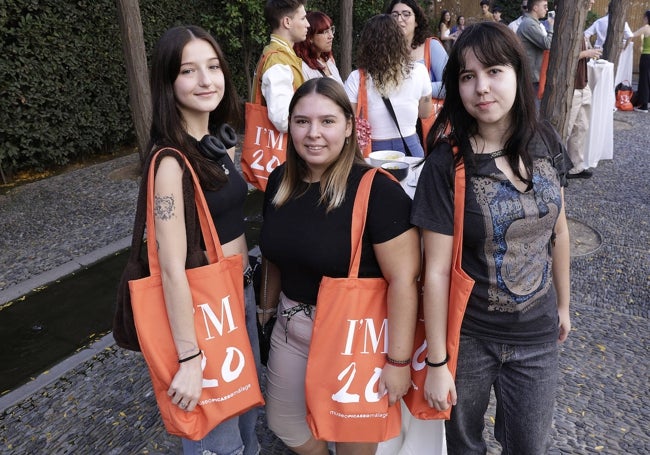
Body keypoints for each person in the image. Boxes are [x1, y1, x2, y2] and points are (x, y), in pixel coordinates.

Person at [411, 22, 571, 453]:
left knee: (528, 446)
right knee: (464, 447)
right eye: (467, 76)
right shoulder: (446, 164)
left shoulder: (547, 141)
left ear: (518, 73)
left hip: (536, 338)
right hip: (470, 338)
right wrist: (439, 363)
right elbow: (437, 270)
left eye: (494, 71)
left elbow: (558, 229)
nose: (481, 88)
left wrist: (563, 304)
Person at [259, 77, 420, 455]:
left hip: (355, 340)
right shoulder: (280, 181)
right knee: (284, 422)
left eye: (327, 122)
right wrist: (266, 308)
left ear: (349, 127)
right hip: (290, 327)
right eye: (302, 121)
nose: (313, 134)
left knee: (352, 446)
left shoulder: (378, 191)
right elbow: (271, 252)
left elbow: (404, 280)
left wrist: (398, 362)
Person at [146, 25, 261, 455]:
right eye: (189, 71)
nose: (206, 80)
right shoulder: (171, 163)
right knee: (220, 439)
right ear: (168, 82)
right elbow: (171, 267)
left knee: (247, 420)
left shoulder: (215, 144)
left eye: (213, 67)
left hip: (237, 298)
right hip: (203, 312)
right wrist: (189, 359)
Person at [345, 14, 432, 157]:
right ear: (399, 41)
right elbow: (425, 113)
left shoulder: (357, 78)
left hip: (373, 151)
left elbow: (349, 118)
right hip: (410, 148)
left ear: (367, 44)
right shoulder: (419, 71)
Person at [253, 0, 310, 133]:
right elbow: (283, 119)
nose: (307, 24)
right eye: (303, 18)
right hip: (282, 152)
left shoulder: (279, 55)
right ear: (287, 22)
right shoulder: (278, 61)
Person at [386, 0, 448, 99]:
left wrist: (414, 88)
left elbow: (450, 86)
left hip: (427, 112)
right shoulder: (385, 50)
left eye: (406, 14)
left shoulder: (432, 46)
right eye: (394, 15)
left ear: (416, 21)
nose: (399, 19)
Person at [566, 0, 600, 179]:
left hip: (582, 83)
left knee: (582, 127)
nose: (593, 2)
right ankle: (557, 168)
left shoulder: (581, 25)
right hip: (571, 86)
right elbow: (563, 55)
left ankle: (576, 166)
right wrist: (587, 54)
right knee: (566, 128)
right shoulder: (568, 24)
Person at [294, 11, 343, 84]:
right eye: (325, 32)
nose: (331, 36)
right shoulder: (303, 67)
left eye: (331, 30)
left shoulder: (329, 61)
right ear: (310, 37)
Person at [517, 0, 553, 96]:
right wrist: (552, 26)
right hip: (532, 78)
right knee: (534, 109)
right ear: (535, 8)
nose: (547, 9)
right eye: (544, 6)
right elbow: (548, 45)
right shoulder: (529, 24)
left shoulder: (532, 23)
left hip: (532, 75)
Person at [626, 10, 650, 113]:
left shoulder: (646, 28)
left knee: (644, 80)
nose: (642, 19)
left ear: (647, 18)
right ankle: (647, 102)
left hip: (646, 56)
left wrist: (625, 46)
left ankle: (643, 106)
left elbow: (631, 35)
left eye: (643, 17)